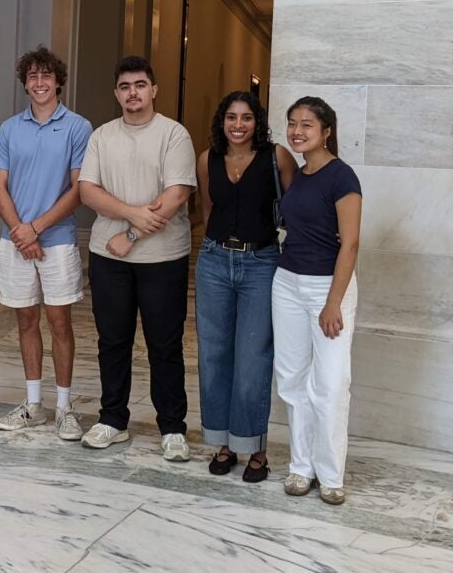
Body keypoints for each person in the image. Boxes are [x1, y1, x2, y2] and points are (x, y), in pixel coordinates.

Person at [78, 56, 196, 460]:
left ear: (154, 90)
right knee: (113, 341)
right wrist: (131, 216)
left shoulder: (173, 134)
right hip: (107, 257)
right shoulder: (101, 136)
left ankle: (172, 428)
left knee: (164, 344)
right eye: (125, 86)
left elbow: (177, 194)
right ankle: (112, 419)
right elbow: (87, 192)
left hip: (163, 258)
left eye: (140, 84)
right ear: (117, 93)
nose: (133, 92)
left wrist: (129, 234)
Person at [0, 46, 92, 441]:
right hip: (15, 241)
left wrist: (36, 229)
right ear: (25, 83)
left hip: (58, 242)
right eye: (32, 76)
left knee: (59, 323)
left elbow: (79, 188)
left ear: (58, 81)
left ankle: (65, 408)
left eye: (46, 75)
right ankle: (33, 404)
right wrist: (20, 231)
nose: (39, 83)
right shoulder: (9, 129)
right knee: (26, 320)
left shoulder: (78, 127)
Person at [195, 91, 297, 481]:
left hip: (261, 262)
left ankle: (254, 448)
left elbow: (295, 206)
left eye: (247, 117)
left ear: (258, 122)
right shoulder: (208, 160)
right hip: (215, 260)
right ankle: (224, 443)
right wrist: (217, 248)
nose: (239, 125)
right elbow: (208, 210)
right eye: (231, 117)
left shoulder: (278, 158)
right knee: (214, 354)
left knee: (253, 357)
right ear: (221, 121)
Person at [273, 96, 361, 506]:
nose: (297, 131)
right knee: (292, 380)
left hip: (328, 287)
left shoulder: (342, 178)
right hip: (287, 283)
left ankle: (330, 474)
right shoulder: (300, 174)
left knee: (329, 384)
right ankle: (300, 467)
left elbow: (351, 244)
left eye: (307, 124)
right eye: (292, 123)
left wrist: (333, 303)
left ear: (326, 131)